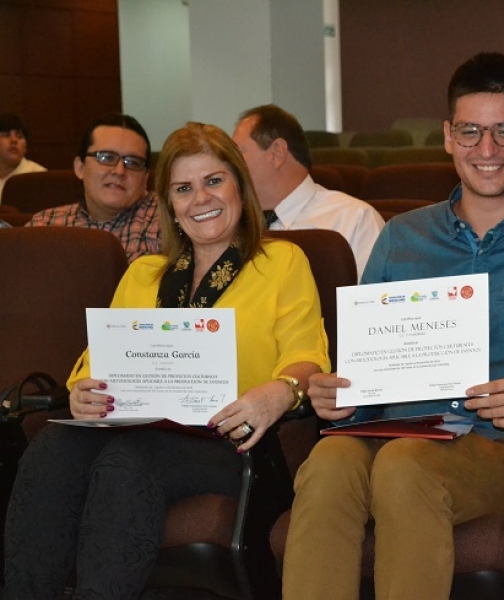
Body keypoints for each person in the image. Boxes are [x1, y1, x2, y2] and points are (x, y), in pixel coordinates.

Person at [282, 52, 504, 599]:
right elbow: (365, 373)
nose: (487, 150)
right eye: (470, 132)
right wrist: (341, 395)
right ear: (447, 136)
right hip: (397, 430)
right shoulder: (401, 237)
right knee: (328, 461)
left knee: (405, 465)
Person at [3, 122, 330, 600]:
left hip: (233, 444)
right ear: (170, 205)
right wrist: (83, 390)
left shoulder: (281, 262)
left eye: (213, 181)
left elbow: (306, 356)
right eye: (183, 188)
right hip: (138, 429)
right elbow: (98, 360)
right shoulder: (144, 274)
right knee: (52, 447)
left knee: (128, 459)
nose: (201, 199)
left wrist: (281, 391)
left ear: (239, 186)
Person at [232, 104, 384, 279]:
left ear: (277, 153)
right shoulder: (232, 225)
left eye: (238, 153)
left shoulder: (354, 219)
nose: (229, 165)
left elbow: (371, 295)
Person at [26, 114, 160, 263]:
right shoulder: (44, 226)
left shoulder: (169, 223)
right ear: (80, 167)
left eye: (133, 162)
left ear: (146, 177)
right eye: (107, 158)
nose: (120, 171)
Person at [0, 114, 46, 201]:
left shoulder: (38, 176)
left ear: (25, 147)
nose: (14, 140)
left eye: (20, 136)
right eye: (6, 135)